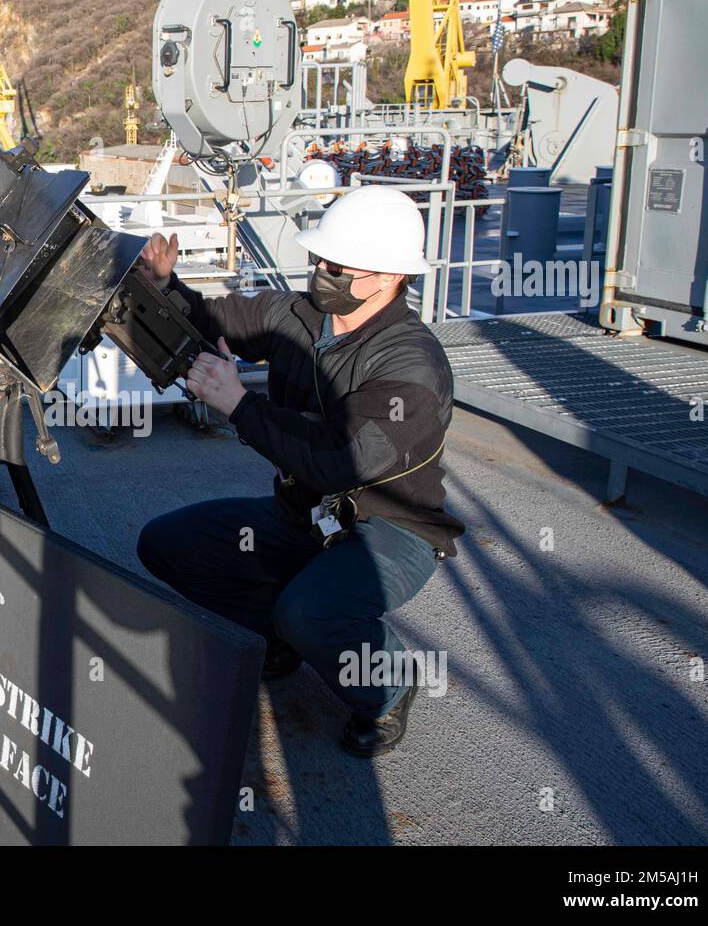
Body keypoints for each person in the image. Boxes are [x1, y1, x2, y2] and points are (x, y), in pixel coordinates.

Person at [135, 185, 464, 757]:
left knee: (310, 611)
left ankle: (386, 687)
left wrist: (240, 405)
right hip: (304, 516)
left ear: (388, 277)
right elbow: (216, 316)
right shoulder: (298, 315)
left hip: (389, 531)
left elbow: (344, 459)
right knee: (166, 545)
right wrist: (167, 288)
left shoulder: (412, 363)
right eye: (318, 260)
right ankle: (278, 640)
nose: (321, 273)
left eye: (337, 266)